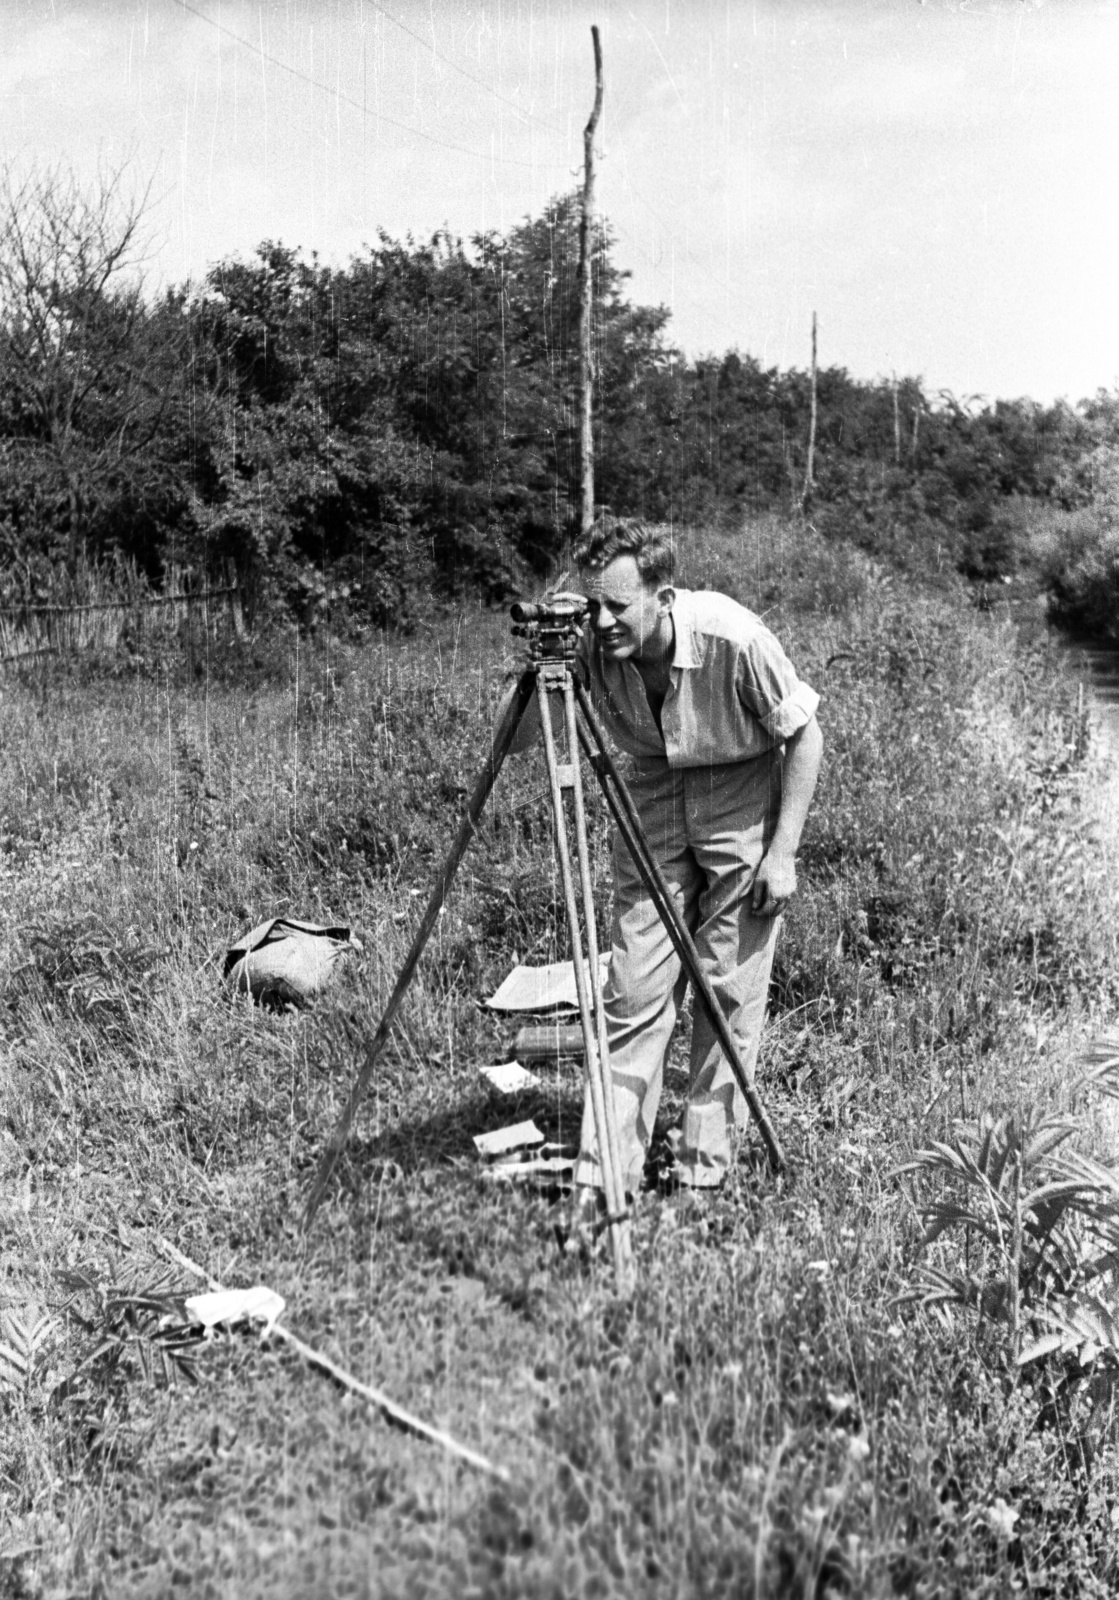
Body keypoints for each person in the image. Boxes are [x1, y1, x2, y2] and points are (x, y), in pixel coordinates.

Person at [509, 517, 823, 1202]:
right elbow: (519, 744)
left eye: (618, 606)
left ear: (663, 594)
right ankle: (607, 1175)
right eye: (592, 604)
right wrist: (543, 668)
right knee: (632, 991)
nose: (604, 622)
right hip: (650, 796)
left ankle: (699, 1176)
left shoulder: (732, 637)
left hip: (740, 797)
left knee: (726, 992)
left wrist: (782, 853)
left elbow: (803, 737)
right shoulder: (590, 642)